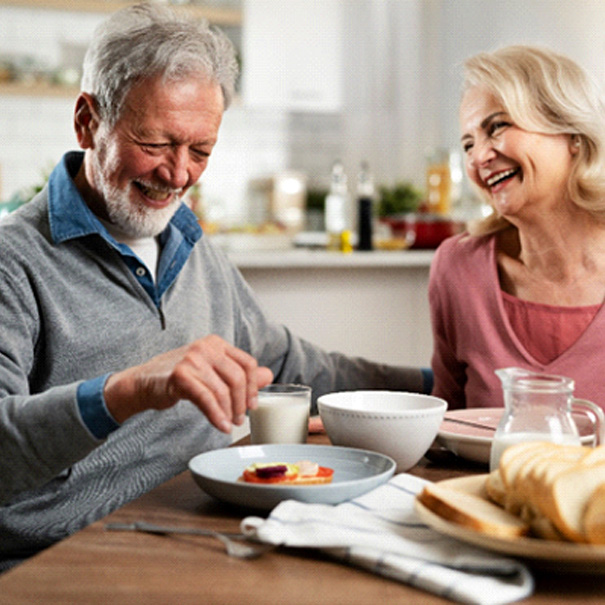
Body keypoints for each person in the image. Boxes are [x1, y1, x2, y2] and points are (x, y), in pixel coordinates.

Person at [0, 2, 430, 571]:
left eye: (200, 150)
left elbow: (290, 361)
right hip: (68, 559)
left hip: (202, 533)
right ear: (88, 121)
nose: (178, 174)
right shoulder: (14, 261)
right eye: (155, 144)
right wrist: (125, 391)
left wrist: (444, 383)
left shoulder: (192, 246)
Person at [429, 44, 605, 411]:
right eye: (467, 144)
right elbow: (445, 424)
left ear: (572, 133)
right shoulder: (457, 268)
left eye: (497, 127)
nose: (478, 158)